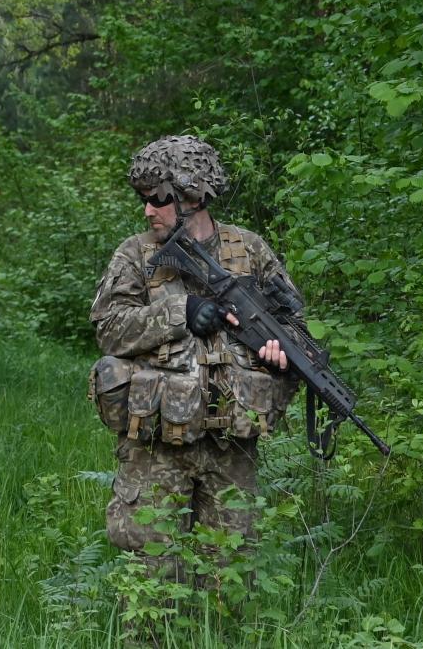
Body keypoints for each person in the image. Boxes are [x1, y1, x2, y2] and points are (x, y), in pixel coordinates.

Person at [88, 135, 302, 579]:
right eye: (142, 199)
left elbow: (294, 324)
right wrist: (177, 312)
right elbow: (108, 329)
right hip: (156, 446)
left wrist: (280, 353)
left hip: (232, 447)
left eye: (158, 199)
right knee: (152, 578)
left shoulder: (251, 250)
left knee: (231, 576)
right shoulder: (136, 254)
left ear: (194, 195)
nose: (148, 210)